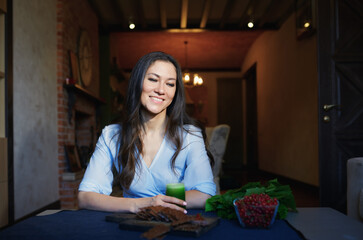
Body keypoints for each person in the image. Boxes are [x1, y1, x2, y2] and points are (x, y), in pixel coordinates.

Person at [78, 51, 216, 214]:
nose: (161, 90)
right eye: (153, 79)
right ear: (137, 82)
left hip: (175, 222)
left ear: (175, 92)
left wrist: (160, 204)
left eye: (170, 84)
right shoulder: (111, 135)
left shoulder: (190, 136)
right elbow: (85, 197)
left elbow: (204, 195)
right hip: (130, 223)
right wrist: (143, 204)